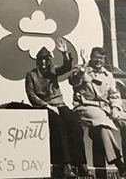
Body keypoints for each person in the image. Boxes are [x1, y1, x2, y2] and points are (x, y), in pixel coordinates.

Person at [25, 38, 92, 177]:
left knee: (74, 123)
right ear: (37, 61)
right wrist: (47, 105)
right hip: (43, 107)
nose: (43, 62)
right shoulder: (31, 75)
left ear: (49, 60)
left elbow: (66, 67)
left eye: (46, 59)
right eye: (41, 60)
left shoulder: (53, 71)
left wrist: (65, 53)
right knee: (58, 126)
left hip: (59, 104)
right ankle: (66, 165)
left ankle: (81, 164)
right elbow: (31, 96)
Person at [69, 47, 126, 176]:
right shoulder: (81, 69)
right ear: (90, 57)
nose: (99, 60)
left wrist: (116, 108)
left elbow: (114, 95)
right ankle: (119, 163)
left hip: (105, 108)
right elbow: (73, 81)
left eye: (101, 58)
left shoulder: (108, 75)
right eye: (96, 57)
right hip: (85, 107)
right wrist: (83, 66)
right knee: (103, 123)